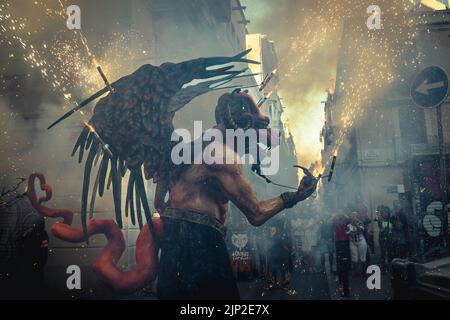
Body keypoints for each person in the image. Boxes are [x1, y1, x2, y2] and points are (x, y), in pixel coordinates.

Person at [156, 90, 319, 299]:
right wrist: (295, 197)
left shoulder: (192, 147)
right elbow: (256, 214)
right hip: (199, 242)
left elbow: (159, 202)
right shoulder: (221, 155)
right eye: (254, 132)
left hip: (175, 242)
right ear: (240, 130)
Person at [333, 212, 351, 297]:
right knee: (344, 266)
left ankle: (342, 283)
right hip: (344, 243)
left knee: (341, 265)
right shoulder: (346, 223)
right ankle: (345, 288)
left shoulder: (337, 222)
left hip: (340, 244)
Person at [347, 212, 368, 277]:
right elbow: (347, 234)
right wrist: (351, 237)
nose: (354, 217)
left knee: (363, 258)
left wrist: (356, 224)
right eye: (352, 216)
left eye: (355, 216)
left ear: (357, 217)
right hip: (352, 242)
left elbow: (361, 230)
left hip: (361, 240)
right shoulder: (348, 225)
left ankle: (364, 272)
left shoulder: (360, 223)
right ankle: (356, 272)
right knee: (354, 258)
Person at [376, 205, 392, 271]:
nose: (385, 213)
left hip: (389, 237)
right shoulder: (380, 220)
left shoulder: (390, 220)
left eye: (387, 212)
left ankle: (389, 266)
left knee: (389, 252)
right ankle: (383, 267)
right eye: (384, 212)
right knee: (383, 253)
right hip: (383, 238)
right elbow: (382, 227)